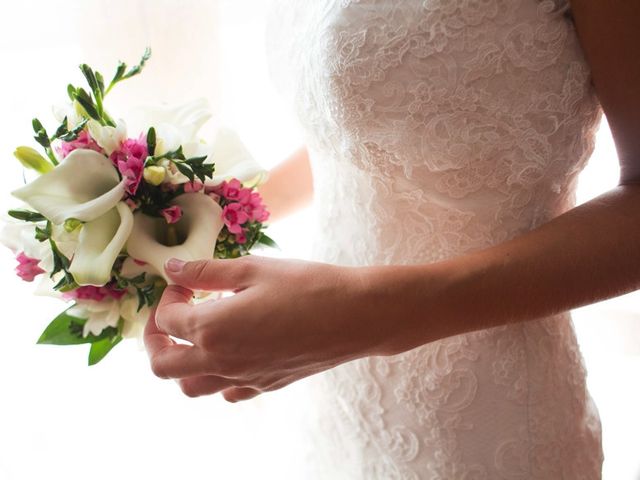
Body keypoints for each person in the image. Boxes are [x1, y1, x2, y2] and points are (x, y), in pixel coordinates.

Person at [144, 0, 639, 477]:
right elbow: (374, 127)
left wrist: (358, 316)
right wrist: (204, 212)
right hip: (330, 391)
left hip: (482, 421)